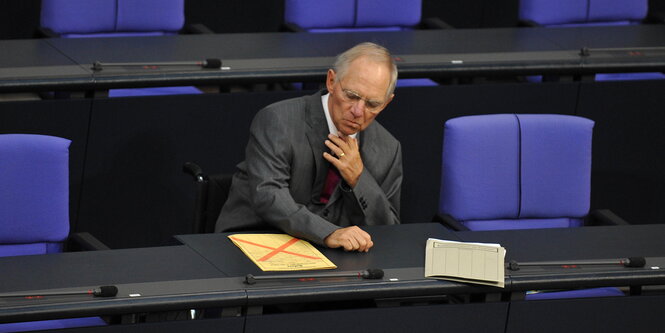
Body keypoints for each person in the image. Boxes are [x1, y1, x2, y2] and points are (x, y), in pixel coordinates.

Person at [215, 42, 402, 252]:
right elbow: (269, 196)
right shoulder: (278, 120)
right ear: (331, 81)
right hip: (260, 239)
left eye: (372, 104)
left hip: (335, 257)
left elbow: (388, 228)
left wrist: (359, 178)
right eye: (351, 95)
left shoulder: (388, 148)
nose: (358, 111)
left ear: (386, 103)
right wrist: (328, 232)